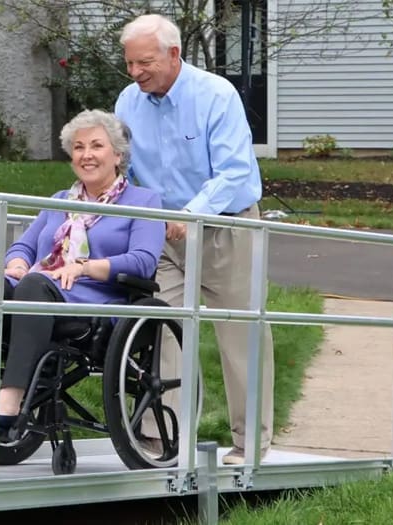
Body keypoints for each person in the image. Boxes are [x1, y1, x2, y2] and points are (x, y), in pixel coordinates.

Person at [0, 109, 165, 431]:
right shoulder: (61, 200)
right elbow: (25, 246)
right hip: (44, 289)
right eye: (78, 147)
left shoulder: (142, 201)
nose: (86, 155)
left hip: (96, 304)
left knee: (32, 286)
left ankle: (9, 405)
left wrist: (86, 267)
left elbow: (143, 260)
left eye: (96, 146)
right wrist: (16, 263)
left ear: (117, 154)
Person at [113, 13, 274, 465]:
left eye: (144, 62)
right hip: (163, 232)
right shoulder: (128, 101)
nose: (135, 72)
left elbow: (234, 171)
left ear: (174, 54)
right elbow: (120, 166)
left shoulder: (215, 95)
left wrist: (193, 213)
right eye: (129, 63)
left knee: (240, 335)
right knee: (160, 330)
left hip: (226, 226)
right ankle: (164, 434)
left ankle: (250, 445)